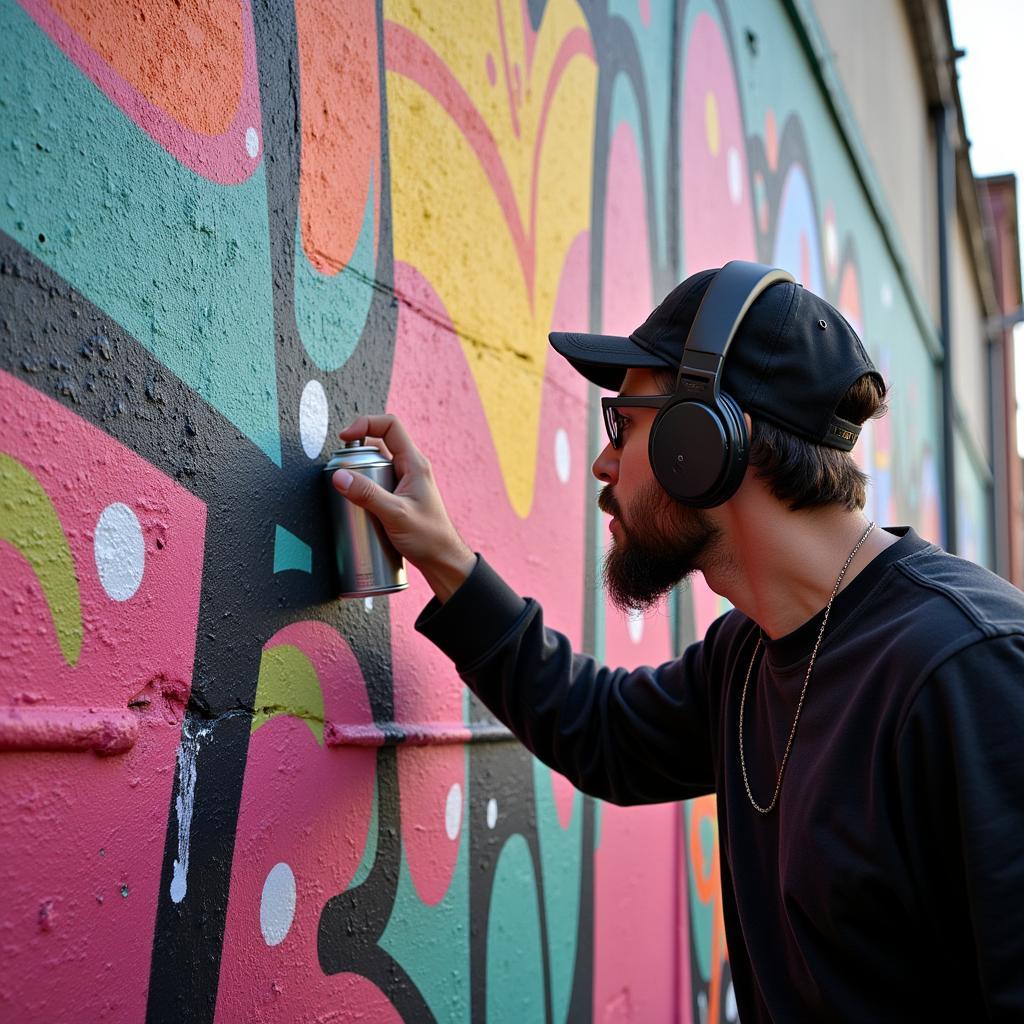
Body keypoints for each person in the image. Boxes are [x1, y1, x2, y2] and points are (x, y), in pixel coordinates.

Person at [331, 263, 1024, 1020]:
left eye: (622, 425)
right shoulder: (750, 651)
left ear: (708, 440)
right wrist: (445, 559)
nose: (602, 464)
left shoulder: (973, 670)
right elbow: (604, 732)